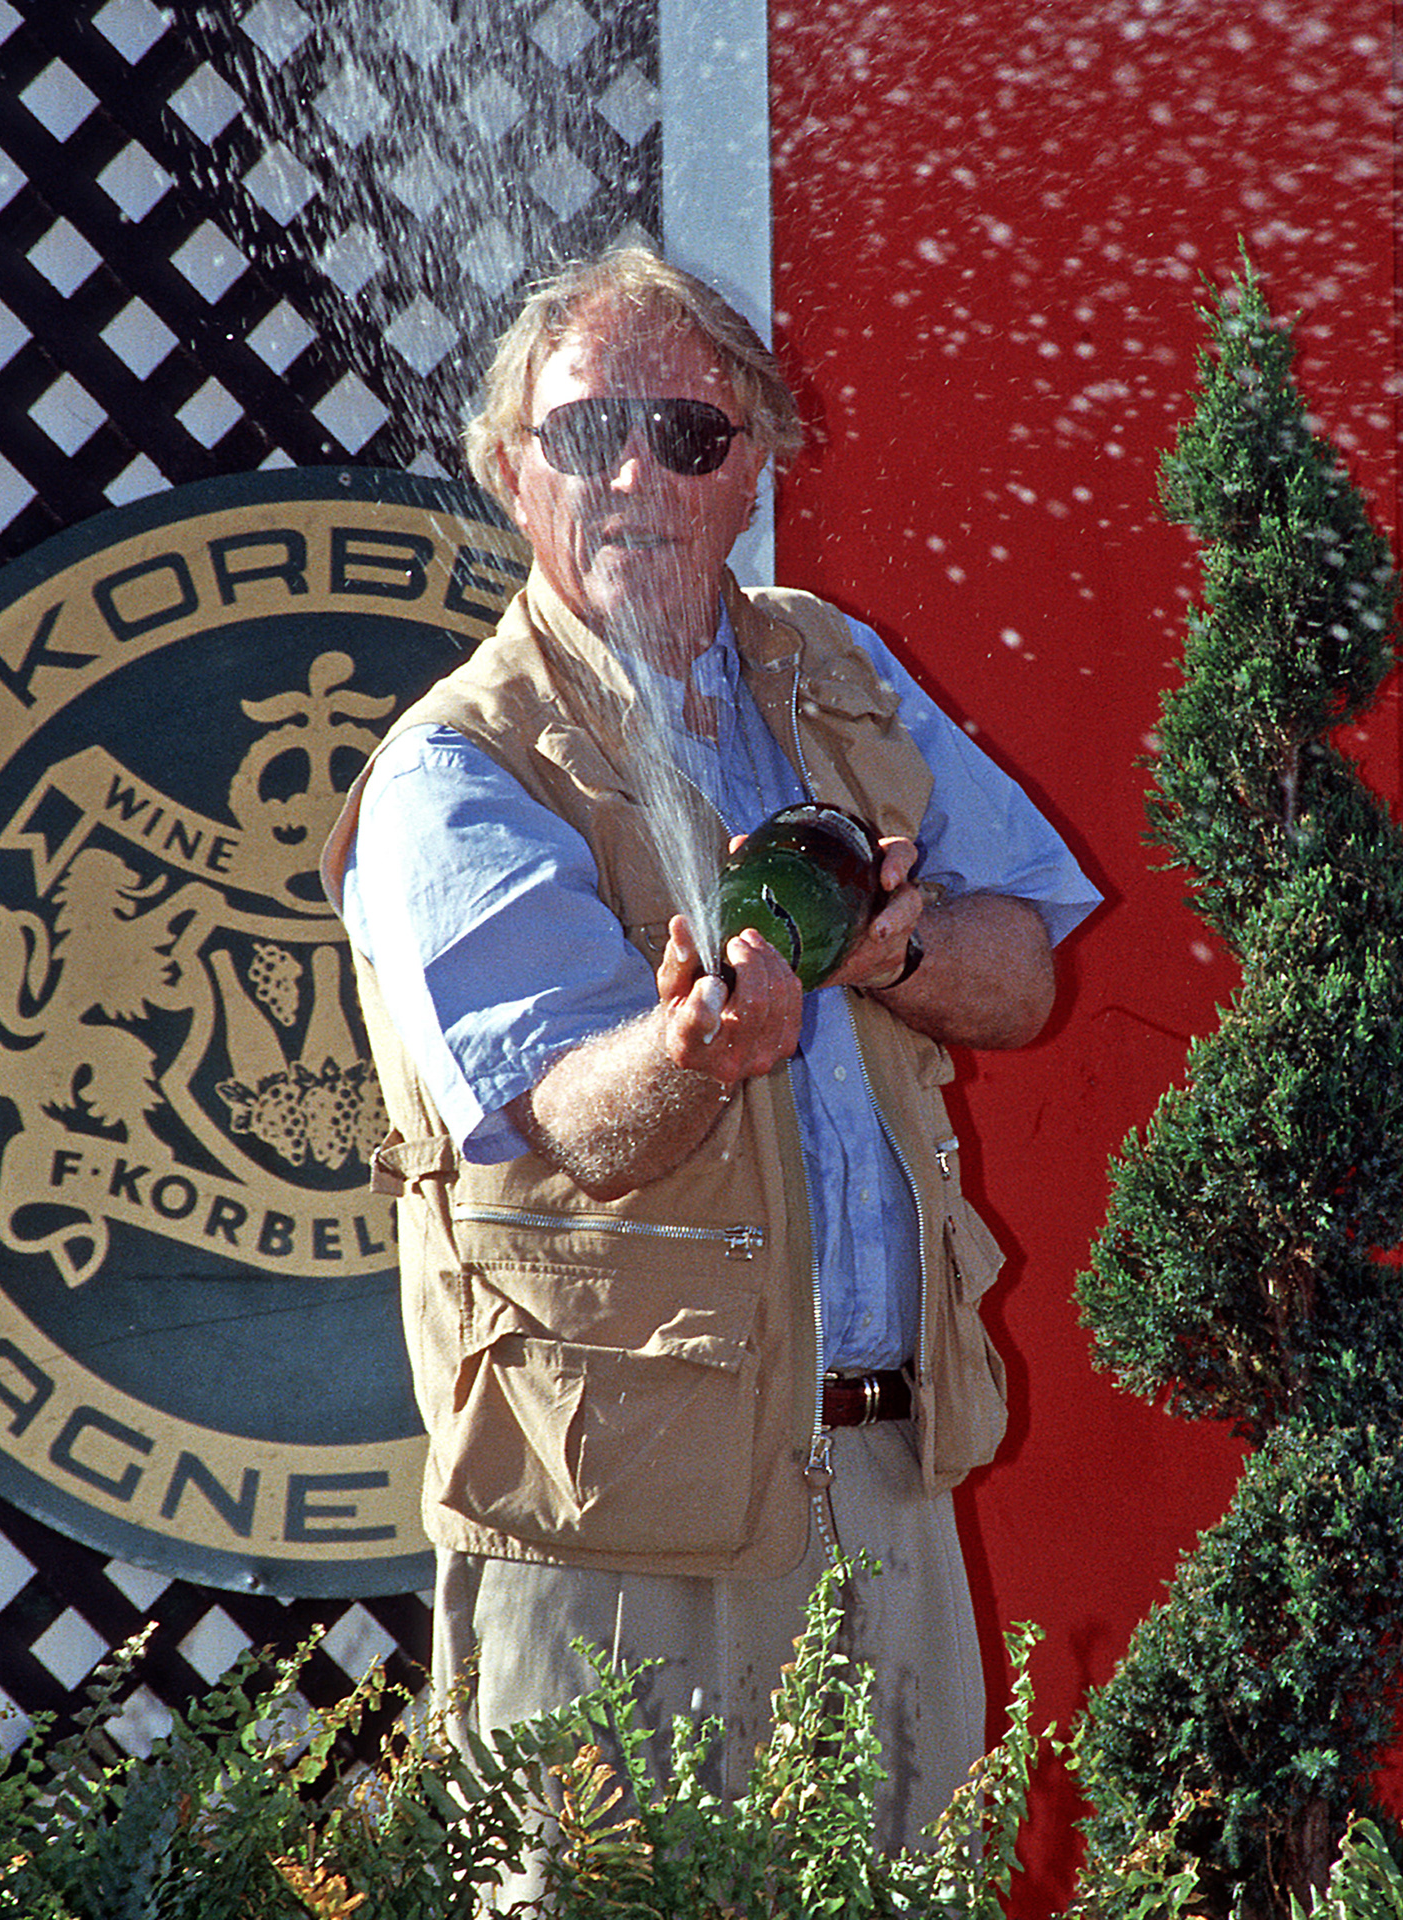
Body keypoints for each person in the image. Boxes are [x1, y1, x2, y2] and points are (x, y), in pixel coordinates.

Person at [321, 246, 1099, 1859]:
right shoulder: (454, 770)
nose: (634, 475)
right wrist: (693, 1049)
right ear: (503, 467)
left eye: (687, 435)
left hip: (885, 1477)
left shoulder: (834, 670)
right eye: (586, 430)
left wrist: (890, 945)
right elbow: (570, 1125)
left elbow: (1022, 969)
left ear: (753, 467)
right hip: (620, 1531)